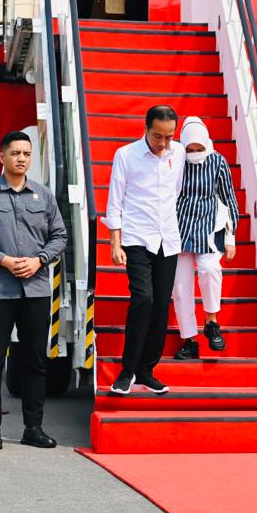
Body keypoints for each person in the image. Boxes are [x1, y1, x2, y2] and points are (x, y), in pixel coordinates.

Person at [0, 131, 68, 451]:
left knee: (35, 362)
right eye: (15, 153)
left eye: (26, 153)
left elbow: (59, 236)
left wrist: (39, 260)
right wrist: (3, 260)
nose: (22, 158)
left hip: (35, 290)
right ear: (2, 156)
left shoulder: (43, 196)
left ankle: (33, 428)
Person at [104, 105, 183, 395]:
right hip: (136, 237)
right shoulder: (126, 155)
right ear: (146, 128)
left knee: (161, 305)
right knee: (143, 299)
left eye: (169, 137)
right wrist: (115, 241)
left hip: (168, 239)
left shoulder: (178, 153)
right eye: (157, 136)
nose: (163, 143)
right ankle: (127, 371)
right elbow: (115, 199)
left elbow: (175, 192)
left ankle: (146, 371)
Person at [171, 117, 239, 359]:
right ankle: (189, 339)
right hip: (178, 230)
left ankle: (211, 321)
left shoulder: (218, 162)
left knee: (210, 270)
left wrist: (231, 237)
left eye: (198, 148)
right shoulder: (175, 159)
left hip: (208, 229)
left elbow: (229, 199)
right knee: (180, 288)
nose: (194, 153)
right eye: (190, 149)